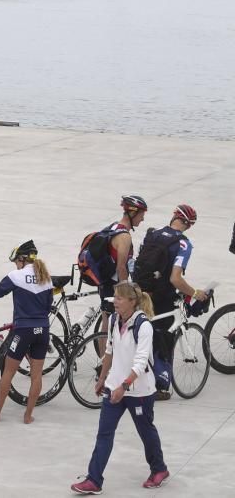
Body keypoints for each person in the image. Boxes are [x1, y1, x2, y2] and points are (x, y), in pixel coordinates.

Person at [71, 281, 168, 494]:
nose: (114, 302)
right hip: (114, 387)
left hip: (138, 391)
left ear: (132, 302)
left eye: (119, 298)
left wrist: (123, 386)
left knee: (145, 431)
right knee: (104, 434)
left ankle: (159, 469)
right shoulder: (115, 319)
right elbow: (109, 351)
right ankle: (94, 480)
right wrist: (102, 379)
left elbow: (141, 363)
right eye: (115, 297)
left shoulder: (144, 326)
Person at [0, 240, 53, 424]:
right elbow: (48, 307)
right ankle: (28, 416)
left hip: (23, 331)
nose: (15, 265)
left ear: (22, 259)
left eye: (16, 261)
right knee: (36, 376)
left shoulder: (16, 276)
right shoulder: (46, 278)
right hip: (43, 330)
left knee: (8, 372)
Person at [134, 204, 208, 401]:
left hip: (140, 291)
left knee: (137, 332)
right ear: (188, 224)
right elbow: (175, 279)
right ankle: (161, 386)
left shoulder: (153, 233)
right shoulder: (183, 244)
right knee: (162, 338)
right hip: (162, 297)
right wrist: (194, 293)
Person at [95, 195, 148, 355]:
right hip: (114, 286)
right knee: (111, 327)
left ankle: (102, 363)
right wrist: (126, 290)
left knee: (106, 323)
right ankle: (105, 364)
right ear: (133, 213)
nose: (143, 219)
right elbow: (121, 267)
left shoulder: (113, 227)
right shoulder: (124, 236)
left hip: (104, 282)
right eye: (141, 215)